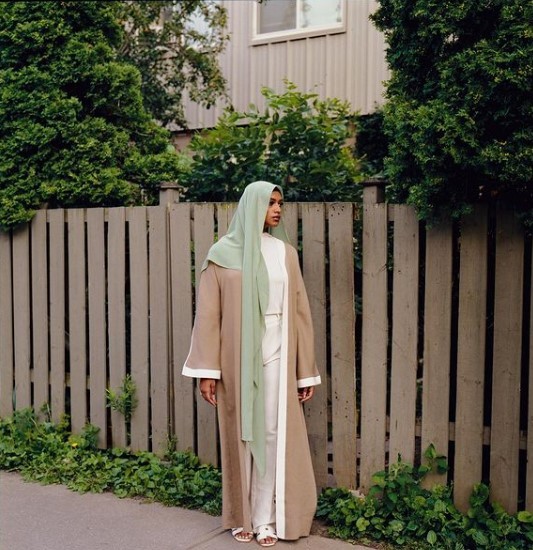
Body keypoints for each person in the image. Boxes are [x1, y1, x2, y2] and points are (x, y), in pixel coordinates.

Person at [182, 181, 321, 547]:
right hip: (237, 359)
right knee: (242, 435)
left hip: (279, 351)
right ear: (251, 206)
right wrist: (207, 373)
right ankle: (243, 516)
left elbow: (301, 311)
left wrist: (304, 369)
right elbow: (208, 316)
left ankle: (267, 519)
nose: (276, 209)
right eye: (269, 203)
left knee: (274, 434)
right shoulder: (222, 253)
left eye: (279, 204)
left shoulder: (285, 253)